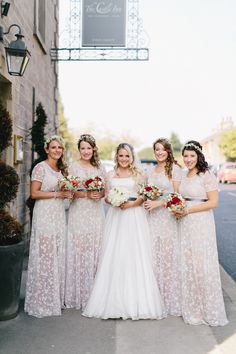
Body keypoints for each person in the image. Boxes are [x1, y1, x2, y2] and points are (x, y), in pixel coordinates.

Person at [83, 143, 166, 320]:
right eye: (121, 156)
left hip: (134, 216)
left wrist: (132, 204)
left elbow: (145, 194)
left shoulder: (140, 174)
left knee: (135, 254)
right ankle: (113, 301)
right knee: (115, 254)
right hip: (116, 216)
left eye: (127, 156)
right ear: (117, 157)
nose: (124, 159)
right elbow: (106, 196)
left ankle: (139, 302)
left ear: (131, 157)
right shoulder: (109, 174)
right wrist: (114, 201)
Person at [174, 140, 228, 326]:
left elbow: (213, 202)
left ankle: (208, 309)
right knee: (188, 262)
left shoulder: (206, 175)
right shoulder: (184, 174)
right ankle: (193, 307)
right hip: (184, 222)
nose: (188, 159)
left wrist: (187, 210)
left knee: (201, 264)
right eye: (186, 156)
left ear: (199, 157)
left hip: (201, 223)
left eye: (192, 156)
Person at [25, 135, 73, 318]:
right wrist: (57, 194)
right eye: (54, 147)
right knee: (45, 255)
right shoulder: (40, 167)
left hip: (58, 215)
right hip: (44, 214)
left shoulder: (61, 169)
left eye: (60, 147)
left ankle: (53, 298)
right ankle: (42, 301)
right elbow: (34, 193)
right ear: (47, 149)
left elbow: (63, 191)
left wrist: (67, 193)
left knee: (56, 254)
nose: (57, 150)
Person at [65, 134, 106, 310]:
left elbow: (105, 190)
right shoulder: (72, 167)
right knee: (79, 248)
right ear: (79, 150)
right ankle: (78, 293)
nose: (86, 151)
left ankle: (93, 295)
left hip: (96, 212)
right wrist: (86, 194)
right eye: (83, 148)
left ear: (93, 149)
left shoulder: (99, 167)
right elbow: (69, 190)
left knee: (95, 248)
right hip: (79, 211)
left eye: (89, 148)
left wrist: (99, 194)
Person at [144, 138, 182, 316]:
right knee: (154, 257)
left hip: (167, 217)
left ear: (168, 151)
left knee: (167, 257)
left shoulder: (174, 169)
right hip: (152, 218)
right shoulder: (151, 170)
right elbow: (146, 191)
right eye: (157, 149)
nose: (159, 152)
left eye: (162, 149)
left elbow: (176, 195)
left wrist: (158, 203)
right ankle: (155, 298)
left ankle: (169, 299)